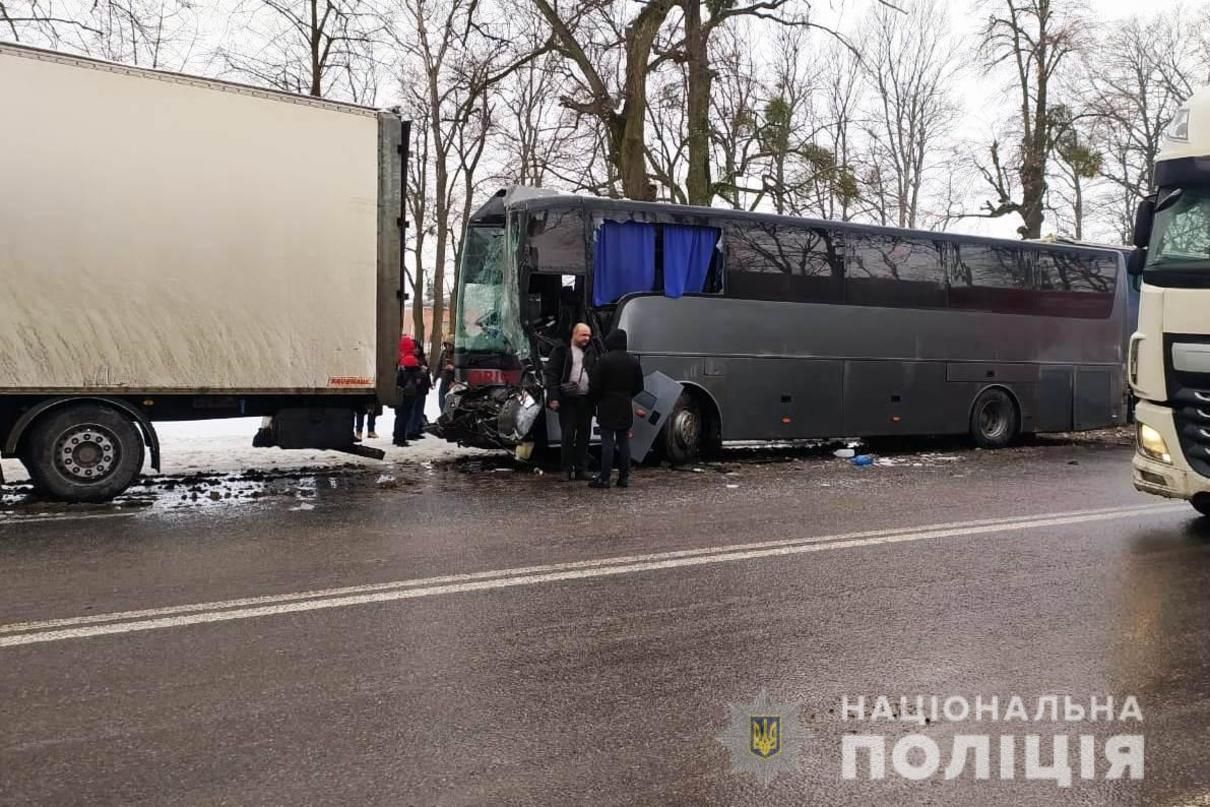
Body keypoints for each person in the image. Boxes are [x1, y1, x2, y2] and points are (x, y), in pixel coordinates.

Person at [588, 329, 643, 489]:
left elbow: (595, 385)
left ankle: (604, 478)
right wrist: (627, 395)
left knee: (607, 443)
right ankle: (624, 477)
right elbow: (640, 386)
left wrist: (597, 400)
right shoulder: (633, 361)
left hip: (607, 404)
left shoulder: (604, 360)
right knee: (624, 442)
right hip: (625, 405)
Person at [545, 322, 598, 481]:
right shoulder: (561, 351)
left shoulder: (590, 351)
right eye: (583, 335)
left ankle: (581, 468)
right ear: (574, 334)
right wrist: (554, 397)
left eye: (588, 335)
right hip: (568, 400)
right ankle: (566, 469)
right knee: (568, 435)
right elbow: (552, 374)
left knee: (584, 435)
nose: (586, 338)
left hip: (586, 399)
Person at [393, 333, 423, 447]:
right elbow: (417, 375)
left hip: (400, 390)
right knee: (405, 415)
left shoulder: (400, 358)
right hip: (409, 393)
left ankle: (397, 436)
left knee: (399, 415)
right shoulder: (411, 359)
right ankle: (401, 438)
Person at [408, 342, 431, 441]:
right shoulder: (410, 360)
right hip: (415, 389)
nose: (416, 350)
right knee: (413, 410)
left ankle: (416, 429)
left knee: (419, 411)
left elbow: (427, 373)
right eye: (414, 348)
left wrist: (429, 383)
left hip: (422, 388)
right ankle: (410, 431)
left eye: (417, 348)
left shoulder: (422, 359)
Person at [434, 338, 454, 408]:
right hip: (444, 380)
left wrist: (453, 368)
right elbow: (438, 366)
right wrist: (434, 379)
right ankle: (443, 414)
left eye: (450, 345)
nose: (448, 346)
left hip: (453, 381)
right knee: (441, 400)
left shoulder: (457, 354)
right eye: (447, 344)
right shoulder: (443, 353)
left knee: (451, 401)